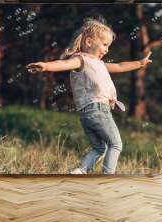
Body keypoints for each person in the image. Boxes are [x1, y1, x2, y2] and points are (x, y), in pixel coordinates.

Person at [26, 18, 152, 174]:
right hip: (97, 109)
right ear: (89, 42)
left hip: (87, 114)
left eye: (109, 46)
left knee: (100, 147)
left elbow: (120, 66)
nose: (107, 50)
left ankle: (80, 171)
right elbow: (64, 64)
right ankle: (107, 177)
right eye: (104, 44)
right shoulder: (81, 60)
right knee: (116, 144)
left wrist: (139, 63)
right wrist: (46, 66)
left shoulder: (100, 64)